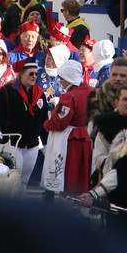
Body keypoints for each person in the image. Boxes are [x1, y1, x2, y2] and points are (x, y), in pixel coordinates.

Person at [0, 57, 48, 189]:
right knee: (15, 179)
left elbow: (44, 120)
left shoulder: (39, 93)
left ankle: (20, 205)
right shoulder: (7, 91)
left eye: (36, 74)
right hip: (13, 142)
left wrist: (46, 141)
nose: (34, 77)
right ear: (21, 74)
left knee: (24, 181)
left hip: (31, 144)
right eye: (31, 73)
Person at [40, 60, 92, 196]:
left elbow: (59, 122)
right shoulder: (92, 92)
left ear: (69, 78)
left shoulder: (70, 97)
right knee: (83, 170)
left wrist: (46, 124)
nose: (59, 81)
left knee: (67, 169)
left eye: (62, 78)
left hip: (69, 138)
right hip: (87, 136)